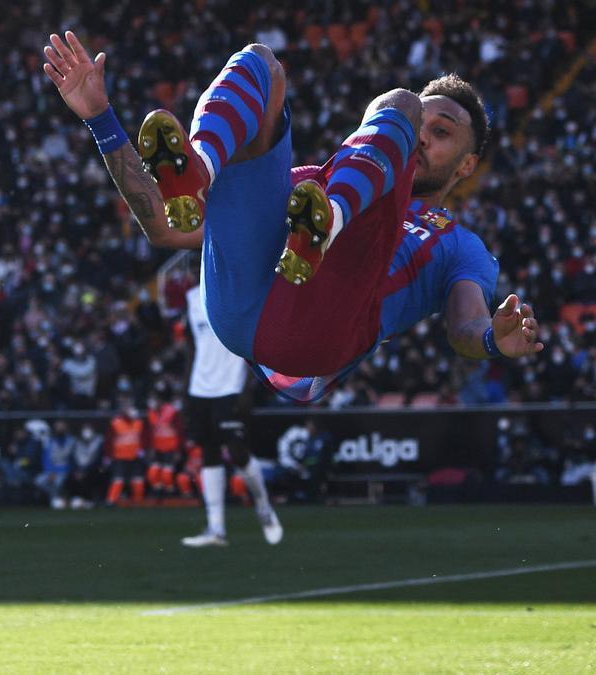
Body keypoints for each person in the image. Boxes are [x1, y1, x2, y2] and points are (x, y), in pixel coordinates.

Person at [42, 32, 542, 405]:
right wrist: (100, 116)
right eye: (422, 128)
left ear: (468, 164)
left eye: (443, 132)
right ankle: (201, 168)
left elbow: (466, 324)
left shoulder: (459, 245)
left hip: (316, 337)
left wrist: (490, 342)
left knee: (399, 105)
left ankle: (328, 230)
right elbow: (165, 227)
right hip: (238, 309)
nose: (425, 138)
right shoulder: (311, 184)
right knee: (260, 63)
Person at [181, 283, 282, 547]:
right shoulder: (190, 298)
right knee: (209, 452)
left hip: (231, 387)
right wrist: (185, 391)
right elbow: (191, 347)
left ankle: (263, 505)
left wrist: (248, 388)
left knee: (236, 451)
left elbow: (252, 343)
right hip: (199, 389)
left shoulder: (237, 291)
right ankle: (216, 529)